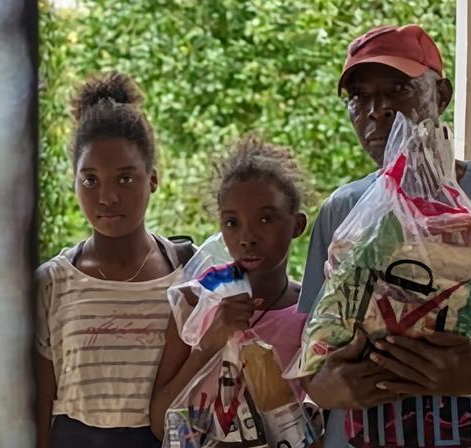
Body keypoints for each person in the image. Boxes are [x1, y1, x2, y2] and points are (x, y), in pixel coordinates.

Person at [298, 24, 471, 447]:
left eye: (398, 89)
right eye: (359, 97)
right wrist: (325, 389)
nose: (376, 110)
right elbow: (310, 354)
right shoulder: (343, 212)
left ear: (442, 95)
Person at [35, 72, 189, 448]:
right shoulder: (51, 283)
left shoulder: (186, 272)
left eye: (125, 179)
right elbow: (39, 404)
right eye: (90, 179)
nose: (107, 197)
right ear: (73, 182)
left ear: (152, 179)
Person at [149, 136, 310, 440]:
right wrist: (210, 343)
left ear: (297, 226)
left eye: (265, 219)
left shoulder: (309, 313)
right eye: (232, 223)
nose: (247, 237)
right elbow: (160, 422)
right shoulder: (195, 303)